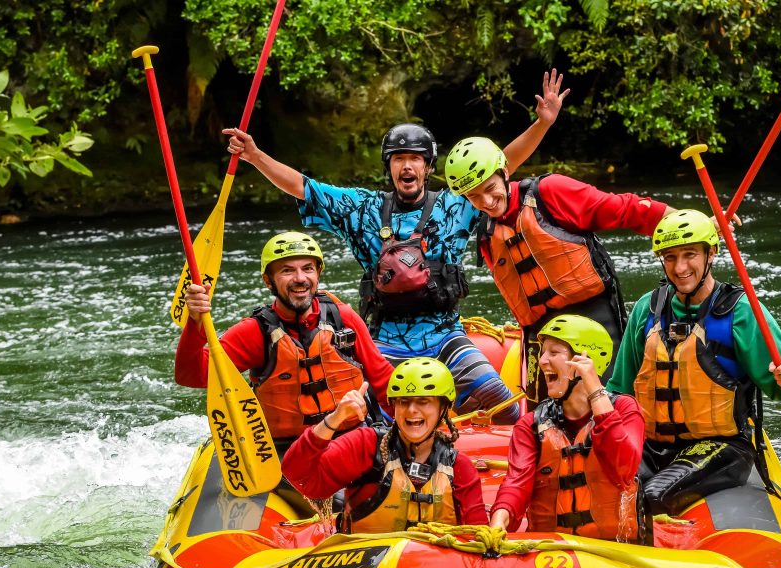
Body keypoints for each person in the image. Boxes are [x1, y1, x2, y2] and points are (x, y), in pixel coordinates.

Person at [221, 71, 573, 423]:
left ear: (429, 166)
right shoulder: (362, 209)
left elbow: (502, 164)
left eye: (416, 158)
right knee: (366, 420)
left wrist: (542, 124)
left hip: (447, 336)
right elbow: (303, 187)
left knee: (503, 405)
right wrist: (254, 156)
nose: (407, 165)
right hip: (384, 343)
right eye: (398, 158)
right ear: (388, 167)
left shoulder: (457, 204)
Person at [605, 210, 781, 515]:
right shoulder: (647, 310)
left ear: (711, 253)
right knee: (599, 489)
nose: (680, 267)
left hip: (721, 447)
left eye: (690, 254)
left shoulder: (740, 311)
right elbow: (620, 389)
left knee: (650, 496)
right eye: (670, 257)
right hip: (650, 443)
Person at [442, 136, 675, 405]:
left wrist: (692, 222)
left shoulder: (550, 192)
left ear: (505, 172)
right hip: (538, 333)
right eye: (474, 196)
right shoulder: (487, 233)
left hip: (591, 316)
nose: (486, 202)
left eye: (490, 188)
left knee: (607, 405)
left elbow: (627, 209)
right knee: (539, 418)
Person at [174, 231, 394, 515]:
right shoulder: (255, 333)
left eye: (307, 269)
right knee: (343, 508)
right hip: (288, 453)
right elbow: (191, 375)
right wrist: (195, 324)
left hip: (352, 439)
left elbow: (384, 381)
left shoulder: (343, 319)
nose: (300, 278)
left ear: (318, 274)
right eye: (287, 271)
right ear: (268, 281)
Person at [283, 358, 489, 532]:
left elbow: (479, 536)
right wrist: (335, 419)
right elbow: (298, 476)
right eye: (403, 402)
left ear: (443, 408)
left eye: (423, 401)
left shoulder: (458, 467)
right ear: (394, 405)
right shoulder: (366, 446)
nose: (412, 410)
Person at [489, 315, 644, 541]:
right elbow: (516, 483)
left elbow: (624, 470)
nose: (542, 361)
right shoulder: (530, 425)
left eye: (554, 352)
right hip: (551, 552)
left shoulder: (625, 409)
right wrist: (499, 520)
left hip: (616, 554)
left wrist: (595, 390)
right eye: (543, 352)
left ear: (584, 359)